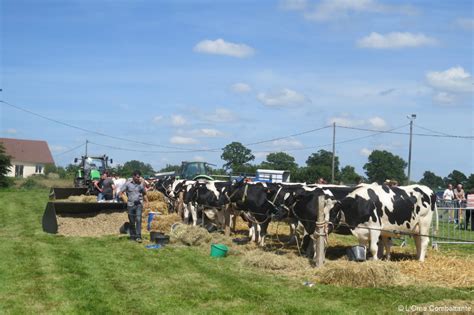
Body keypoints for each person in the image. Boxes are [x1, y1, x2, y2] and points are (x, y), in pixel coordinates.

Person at [120, 170, 149, 242]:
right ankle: (133, 236)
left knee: (138, 219)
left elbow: (144, 194)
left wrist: (147, 202)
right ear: (133, 176)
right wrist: (125, 200)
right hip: (130, 205)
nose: (138, 178)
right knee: (132, 221)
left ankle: (138, 236)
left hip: (139, 204)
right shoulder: (128, 184)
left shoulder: (141, 185)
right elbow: (121, 192)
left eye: (139, 177)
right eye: (137, 177)